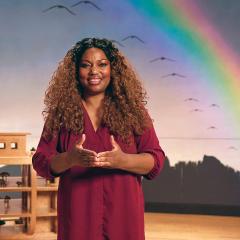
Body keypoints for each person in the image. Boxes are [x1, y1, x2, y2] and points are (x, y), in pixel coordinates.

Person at [32, 38, 165, 240]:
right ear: (76, 72)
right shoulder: (61, 114)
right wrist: (70, 159)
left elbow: (155, 161)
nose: (95, 71)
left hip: (124, 218)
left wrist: (123, 160)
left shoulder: (134, 112)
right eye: (86, 65)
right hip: (77, 219)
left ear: (113, 69)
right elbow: (41, 161)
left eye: (102, 64)